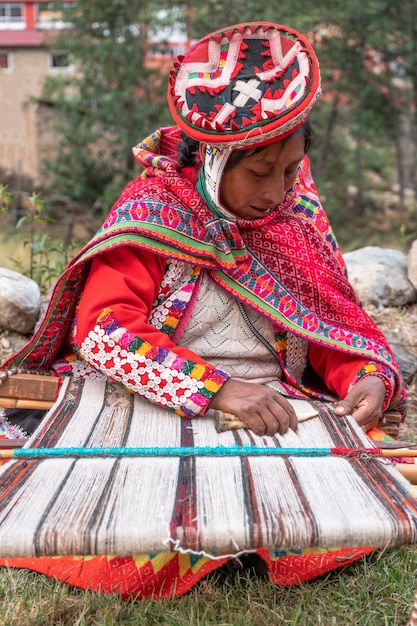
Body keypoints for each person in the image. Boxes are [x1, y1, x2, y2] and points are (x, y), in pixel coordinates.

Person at [0, 21, 406, 598]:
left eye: (291, 170)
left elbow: (326, 324)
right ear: (213, 162)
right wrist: (215, 389)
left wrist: (361, 376)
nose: (277, 190)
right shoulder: (155, 211)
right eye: (260, 173)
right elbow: (105, 331)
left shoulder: (293, 218)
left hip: (272, 411)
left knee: (341, 506)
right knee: (125, 525)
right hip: (154, 407)